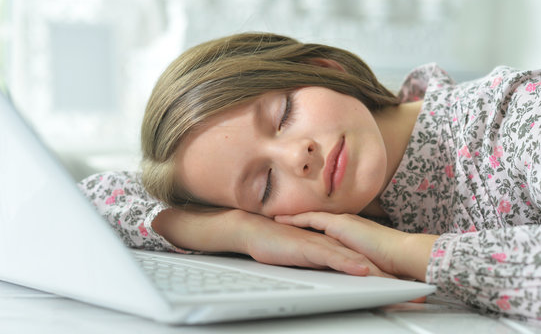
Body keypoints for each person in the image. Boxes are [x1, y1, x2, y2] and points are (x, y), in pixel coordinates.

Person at [79, 32, 541, 323]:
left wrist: (405, 252)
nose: (297, 155)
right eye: (264, 185)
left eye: (283, 116)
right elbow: (88, 202)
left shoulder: (515, 114)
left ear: (324, 71)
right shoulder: (340, 209)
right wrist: (234, 230)